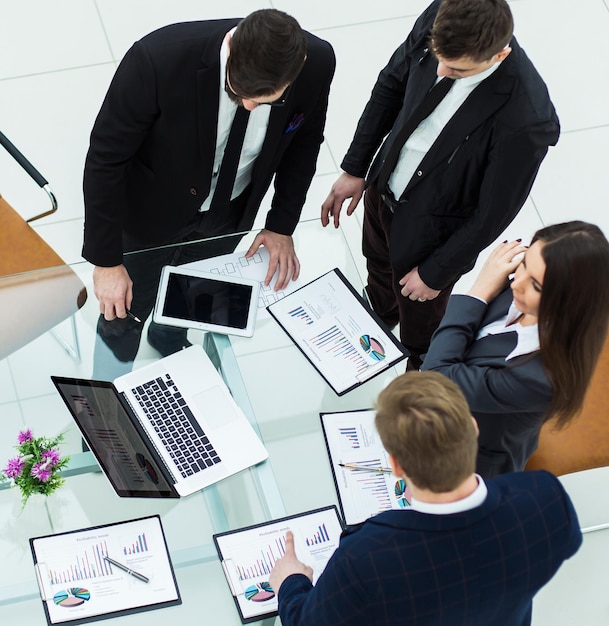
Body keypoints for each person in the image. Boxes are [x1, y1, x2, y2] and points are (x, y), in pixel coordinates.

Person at [82, 9, 335, 372]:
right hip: (149, 213)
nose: (249, 106)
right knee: (123, 309)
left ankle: (167, 338)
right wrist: (106, 262)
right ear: (230, 46)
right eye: (239, 92)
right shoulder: (157, 59)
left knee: (191, 293)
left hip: (232, 209)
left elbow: (305, 143)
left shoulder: (318, 62)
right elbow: (105, 159)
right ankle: (109, 386)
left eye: (266, 101)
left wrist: (280, 224)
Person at [321, 0, 559, 370]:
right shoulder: (442, 16)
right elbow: (391, 84)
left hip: (433, 232)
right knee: (378, 270)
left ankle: (421, 371)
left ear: (500, 55)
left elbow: (494, 211)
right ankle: (377, 319)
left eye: (458, 69)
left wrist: (437, 271)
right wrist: (356, 167)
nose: (441, 70)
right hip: (385, 188)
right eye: (438, 58)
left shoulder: (526, 118)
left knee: (422, 326)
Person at [269, 371, 582, 626]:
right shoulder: (546, 500)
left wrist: (290, 581)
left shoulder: (365, 557)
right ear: (473, 428)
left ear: (396, 466)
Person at [421, 221, 609, 477]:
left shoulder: (542, 378)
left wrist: (479, 291)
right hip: (442, 410)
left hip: (469, 459)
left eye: (537, 285)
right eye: (524, 264)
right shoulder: (521, 294)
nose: (516, 283)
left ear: (569, 303)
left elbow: (435, 377)